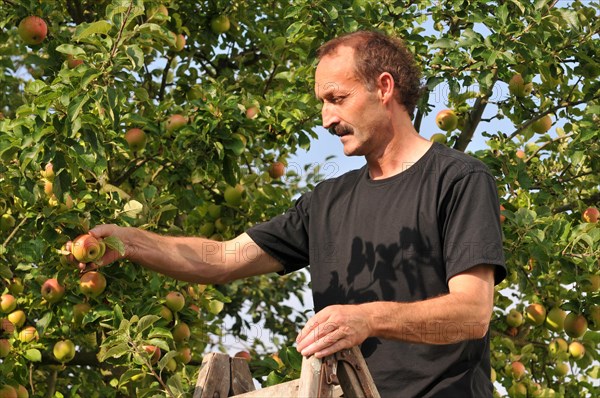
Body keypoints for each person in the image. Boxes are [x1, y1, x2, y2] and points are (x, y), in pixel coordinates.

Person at [79, 31, 506, 397]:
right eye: (322, 102)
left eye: (337, 99)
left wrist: (366, 317)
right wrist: (128, 241)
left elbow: (472, 313)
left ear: (384, 87)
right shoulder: (326, 203)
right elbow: (223, 259)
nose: (326, 119)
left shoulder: (458, 179)